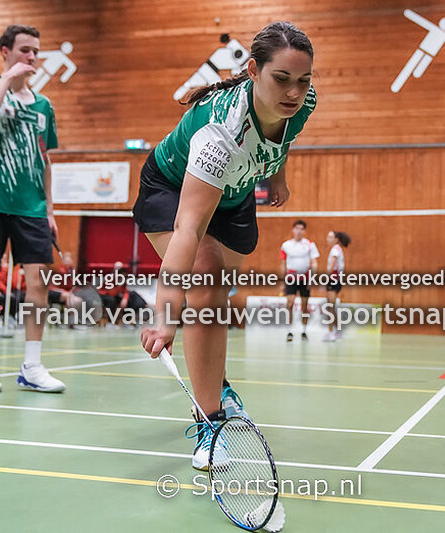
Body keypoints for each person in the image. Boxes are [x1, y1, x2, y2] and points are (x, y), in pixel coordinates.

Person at [135, 21, 316, 470]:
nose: (293, 92)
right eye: (281, 79)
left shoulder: (304, 102)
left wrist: (277, 174)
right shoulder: (221, 133)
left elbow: (285, 133)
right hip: (173, 189)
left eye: (302, 80)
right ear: (253, 70)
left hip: (234, 197)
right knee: (205, 282)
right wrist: (164, 317)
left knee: (212, 303)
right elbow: (188, 229)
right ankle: (210, 421)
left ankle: (214, 385)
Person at [0, 24, 65, 393]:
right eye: (24, 50)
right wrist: (7, 80)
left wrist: (50, 211)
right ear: (5, 51)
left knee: (38, 282)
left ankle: (32, 366)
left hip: (31, 207)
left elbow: (45, 159)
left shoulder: (43, 105)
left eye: (35, 51)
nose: (32, 58)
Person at [280, 219, 319, 341]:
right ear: (293, 230)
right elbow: (283, 264)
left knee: (304, 305)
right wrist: (282, 281)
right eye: (297, 228)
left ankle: (304, 330)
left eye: (301, 229)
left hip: (305, 279)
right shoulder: (286, 245)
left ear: (304, 231)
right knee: (290, 303)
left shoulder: (310, 245)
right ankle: (289, 331)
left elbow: (314, 263)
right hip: (291, 279)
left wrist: (311, 280)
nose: (299, 231)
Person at [323, 231, 351, 342]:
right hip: (336, 280)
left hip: (333, 280)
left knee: (330, 306)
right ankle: (337, 330)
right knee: (331, 307)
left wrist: (324, 279)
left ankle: (332, 332)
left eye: (330, 237)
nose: (327, 239)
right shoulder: (337, 249)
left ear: (336, 239)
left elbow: (332, 265)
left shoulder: (335, 250)